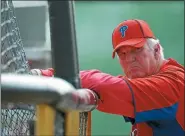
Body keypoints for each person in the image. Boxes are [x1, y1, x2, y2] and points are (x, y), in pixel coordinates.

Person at [31, 19, 184, 136]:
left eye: (137, 49)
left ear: (156, 50)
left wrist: (43, 76)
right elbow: (112, 84)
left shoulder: (173, 82)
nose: (130, 58)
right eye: (122, 53)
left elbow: (107, 86)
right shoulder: (148, 80)